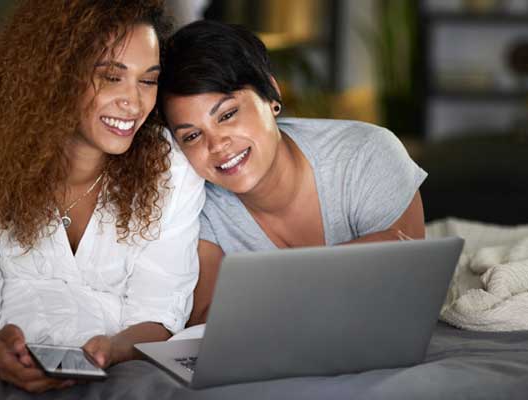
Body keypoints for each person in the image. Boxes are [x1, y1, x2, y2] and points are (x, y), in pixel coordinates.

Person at [0, 0, 204, 393]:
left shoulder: (171, 170)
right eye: (111, 77)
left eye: (148, 80)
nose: (135, 101)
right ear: (54, 75)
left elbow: (159, 316)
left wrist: (111, 349)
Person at [157, 20, 427, 327]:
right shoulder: (198, 202)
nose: (217, 145)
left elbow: (410, 292)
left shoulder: (366, 155)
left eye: (228, 115)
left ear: (271, 93)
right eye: (192, 136)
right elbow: (204, 326)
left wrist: (261, 291)